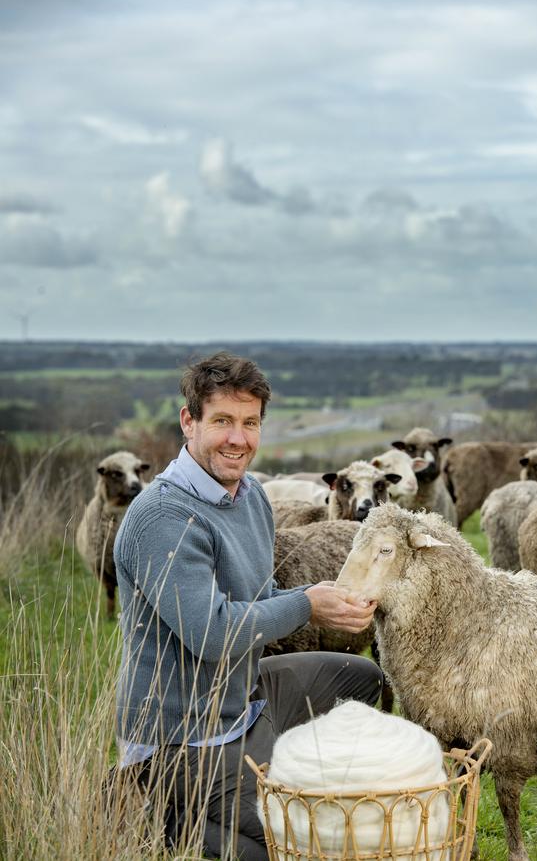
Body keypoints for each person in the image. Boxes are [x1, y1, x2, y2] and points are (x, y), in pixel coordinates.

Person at [114, 350, 381, 860]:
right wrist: (306, 605)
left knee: (361, 679)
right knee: (299, 841)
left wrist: (325, 601)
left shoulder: (249, 496)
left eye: (250, 423)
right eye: (222, 421)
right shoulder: (163, 518)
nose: (238, 438)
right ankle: (159, 813)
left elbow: (252, 602)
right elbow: (212, 633)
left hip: (244, 701)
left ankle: (264, 773)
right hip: (181, 738)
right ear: (188, 421)